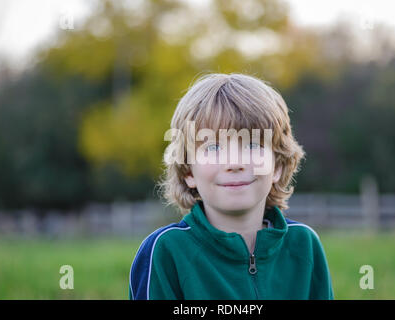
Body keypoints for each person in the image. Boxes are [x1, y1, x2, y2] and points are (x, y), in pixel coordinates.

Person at [129, 73, 334, 300]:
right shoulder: (165, 251)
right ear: (188, 171)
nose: (234, 163)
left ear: (277, 165)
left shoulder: (304, 245)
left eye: (252, 145)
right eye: (214, 148)